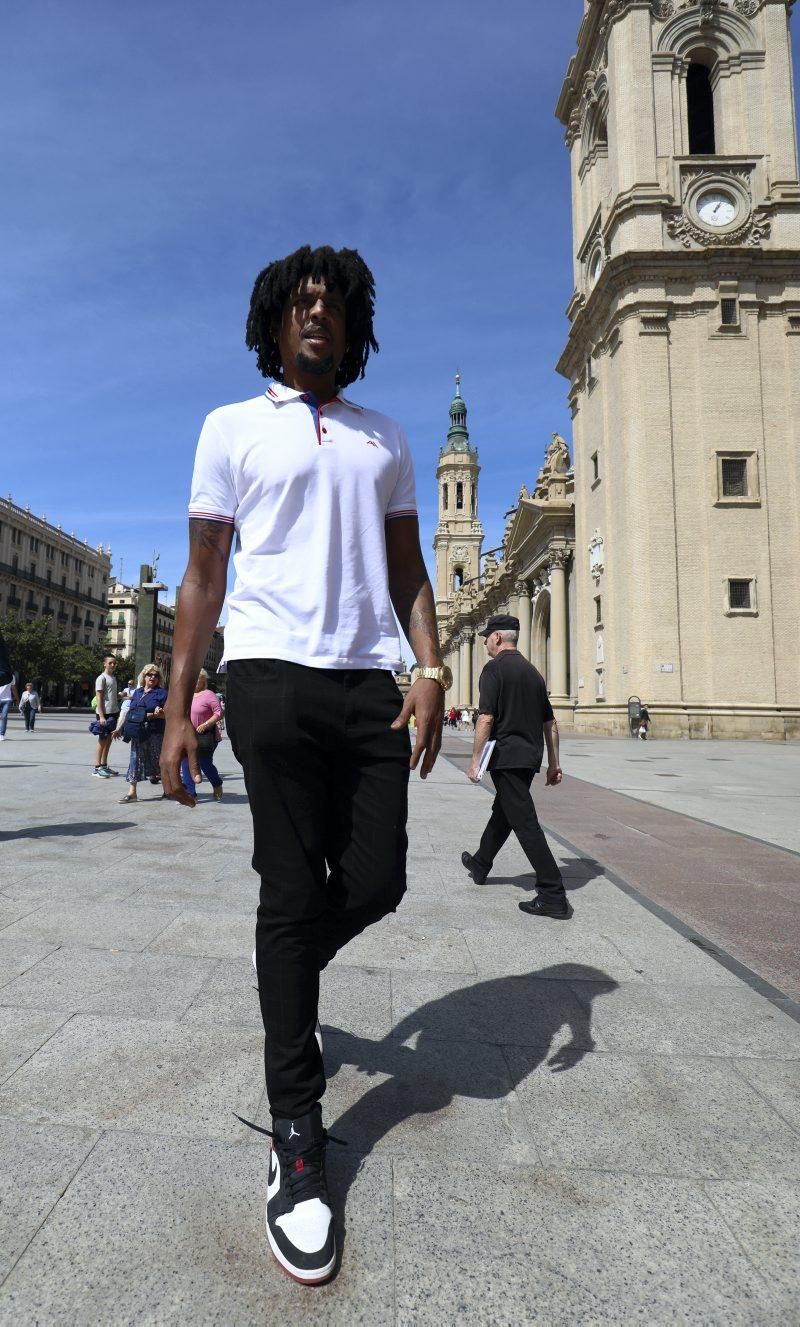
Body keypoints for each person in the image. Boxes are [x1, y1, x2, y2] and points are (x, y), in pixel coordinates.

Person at [160, 244, 448, 1285]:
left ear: (355, 323)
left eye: (334, 302)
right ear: (275, 322)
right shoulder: (230, 427)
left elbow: (410, 566)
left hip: (370, 683)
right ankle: (295, 1140)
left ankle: (286, 975)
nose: (317, 313)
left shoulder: (386, 438)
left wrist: (429, 663)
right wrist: (178, 705)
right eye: (301, 301)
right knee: (291, 891)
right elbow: (202, 574)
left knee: (376, 879)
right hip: (270, 681)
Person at [461, 613, 571, 920]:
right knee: (505, 811)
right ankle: (481, 862)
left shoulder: (493, 669)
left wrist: (475, 762)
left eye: (486, 636)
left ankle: (552, 894)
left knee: (524, 821)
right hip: (529, 757)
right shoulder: (533, 673)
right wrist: (554, 763)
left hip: (506, 757)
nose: (484, 641)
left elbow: (485, 718)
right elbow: (550, 722)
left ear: (497, 637)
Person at [119, 663, 168, 803]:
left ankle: (167, 789)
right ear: (144, 676)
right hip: (138, 732)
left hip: (155, 732)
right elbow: (130, 711)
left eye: (156, 675)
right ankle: (132, 792)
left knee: (158, 761)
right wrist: (119, 728)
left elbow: (169, 715)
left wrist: (158, 714)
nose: (152, 677)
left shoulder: (162, 693)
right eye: (150, 674)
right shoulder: (138, 692)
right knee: (134, 760)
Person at [180, 669, 224, 801]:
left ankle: (217, 783)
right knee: (186, 763)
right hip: (188, 736)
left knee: (204, 763)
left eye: (197, 678)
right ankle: (190, 793)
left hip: (205, 736)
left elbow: (219, 713)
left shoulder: (208, 694)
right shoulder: (185, 695)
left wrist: (206, 724)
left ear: (203, 680)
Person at [92, 655, 120, 778]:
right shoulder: (101, 678)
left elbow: (111, 696)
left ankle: (104, 765)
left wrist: (122, 696)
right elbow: (99, 697)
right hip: (104, 713)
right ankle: (97, 768)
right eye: (110, 663)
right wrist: (101, 716)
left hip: (113, 712)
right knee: (102, 740)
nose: (112, 665)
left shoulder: (113, 678)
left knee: (109, 740)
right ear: (105, 664)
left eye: (114, 663)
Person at [0, 672, 19, 741]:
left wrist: (17, 699)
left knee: (4, 716)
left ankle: (1, 734)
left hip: (7, 700)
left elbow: (13, 688)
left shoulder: (11, 676)